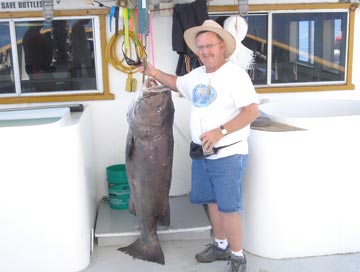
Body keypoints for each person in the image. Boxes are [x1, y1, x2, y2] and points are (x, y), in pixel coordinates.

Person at [139, 20, 259, 272]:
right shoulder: (196, 75)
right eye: (201, 47)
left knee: (229, 207)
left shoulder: (236, 75)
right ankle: (220, 244)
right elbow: (177, 83)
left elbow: (251, 111)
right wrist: (152, 71)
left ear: (222, 47)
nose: (205, 51)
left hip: (228, 154)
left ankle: (237, 256)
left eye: (210, 46)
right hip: (202, 153)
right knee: (212, 202)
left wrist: (221, 131)